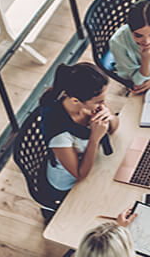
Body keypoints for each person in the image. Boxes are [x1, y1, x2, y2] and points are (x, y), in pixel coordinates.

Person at [40, 62, 118, 200]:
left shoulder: (90, 101)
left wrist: (108, 115)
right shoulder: (60, 134)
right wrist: (95, 138)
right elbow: (79, 174)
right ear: (76, 100)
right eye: (99, 102)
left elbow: (113, 128)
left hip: (94, 163)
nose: (103, 104)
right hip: (69, 185)